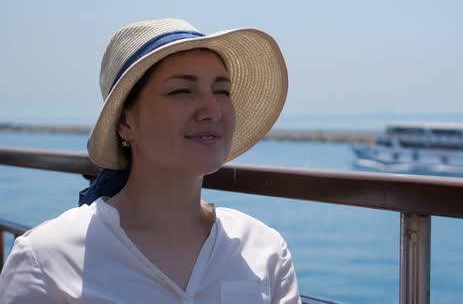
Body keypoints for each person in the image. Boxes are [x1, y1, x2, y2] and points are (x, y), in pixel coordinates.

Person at [0, 18, 301, 303]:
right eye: (182, 91)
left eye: (222, 91)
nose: (212, 110)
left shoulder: (264, 249)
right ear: (125, 123)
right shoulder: (47, 258)